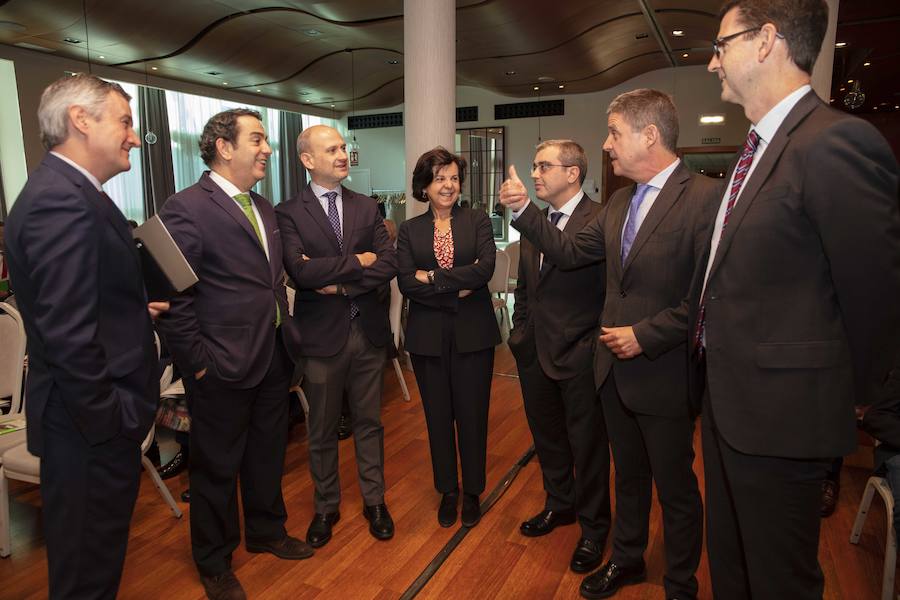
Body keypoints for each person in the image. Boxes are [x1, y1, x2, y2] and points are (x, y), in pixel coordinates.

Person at [692, 1, 900, 598]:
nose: (712, 63)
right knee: (731, 569)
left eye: (721, 44)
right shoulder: (756, 150)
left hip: (784, 421)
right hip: (730, 408)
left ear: (766, 42)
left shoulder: (835, 142)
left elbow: (876, 297)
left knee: (779, 579)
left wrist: (843, 397)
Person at [501, 89, 719, 600]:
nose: (607, 144)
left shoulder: (707, 198)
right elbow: (570, 251)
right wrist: (525, 210)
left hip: (664, 371)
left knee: (677, 488)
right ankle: (626, 559)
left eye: (615, 133)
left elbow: (709, 298)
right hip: (611, 371)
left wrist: (645, 335)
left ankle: (681, 582)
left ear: (649, 135)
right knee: (630, 477)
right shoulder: (620, 202)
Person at [4, 73, 167, 599]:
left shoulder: (70, 191)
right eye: (125, 121)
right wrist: (113, 421)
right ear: (81, 119)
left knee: (92, 568)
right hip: (88, 430)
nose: (135, 137)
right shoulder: (63, 200)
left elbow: (76, 305)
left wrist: (131, 309)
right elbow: (69, 337)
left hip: (87, 425)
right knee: (85, 579)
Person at [157, 108, 311, 600]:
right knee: (216, 467)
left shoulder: (263, 207)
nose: (268, 148)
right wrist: (199, 361)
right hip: (219, 363)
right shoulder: (185, 207)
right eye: (258, 139)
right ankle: (214, 560)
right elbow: (176, 298)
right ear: (225, 147)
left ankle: (266, 531)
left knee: (268, 453)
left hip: (271, 355)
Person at [275, 124, 398, 547]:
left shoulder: (367, 207)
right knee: (322, 429)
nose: (343, 155)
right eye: (332, 150)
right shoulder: (289, 211)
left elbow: (389, 263)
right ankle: (326, 507)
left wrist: (342, 281)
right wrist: (358, 260)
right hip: (321, 338)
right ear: (308, 160)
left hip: (367, 330)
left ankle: (375, 501)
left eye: (344, 147)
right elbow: (300, 272)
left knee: (370, 423)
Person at [506, 140, 610, 574]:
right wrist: (520, 336)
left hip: (582, 353)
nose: (534, 173)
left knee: (587, 446)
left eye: (543, 166)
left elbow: (575, 264)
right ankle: (559, 503)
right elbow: (528, 289)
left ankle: (594, 528)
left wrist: (593, 346)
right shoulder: (539, 223)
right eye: (533, 166)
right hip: (536, 353)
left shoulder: (600, 218)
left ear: (572, 173)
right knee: (547, 438)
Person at [397, 147, 501, 528]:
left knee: (472, 416)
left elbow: (485, 269)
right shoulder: (410, 230)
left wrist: (434, 278)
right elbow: (407, 282)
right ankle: (448, 490)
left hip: (473, 333)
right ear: (425, 184)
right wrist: (457, 281)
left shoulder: (477, 220)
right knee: (437, 418)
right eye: (440, 178)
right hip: (427, 337)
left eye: (454, 178)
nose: (449, 185)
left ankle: (472, 491)